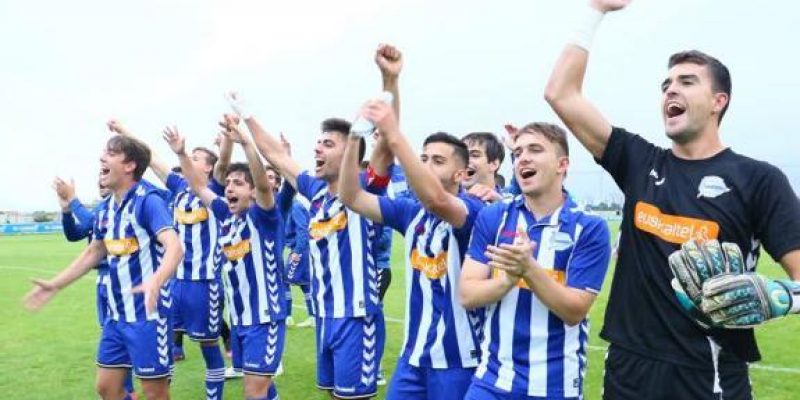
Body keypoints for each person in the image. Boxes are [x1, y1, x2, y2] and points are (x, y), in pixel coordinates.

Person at [544, 1, 800, 398]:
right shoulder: (637, 161)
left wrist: (782, 297)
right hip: (629, 368)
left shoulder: (758, 179)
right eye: (666, 85)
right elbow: (560, 94)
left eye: (687, 81)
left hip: (708, 373)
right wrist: (594, 11)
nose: (671, 90)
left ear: (719, 101)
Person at [225, 44, 402, 400]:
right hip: (324, 316)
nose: (316, 149)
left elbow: (388, 141)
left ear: (351, 151)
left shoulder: (367, 187)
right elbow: (275, 154)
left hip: (357, 316)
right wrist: (245, 112)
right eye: (316, 143)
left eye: (327, 144)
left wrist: (389, 79)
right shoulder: (315, 192)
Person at [341, 95, 486, 400]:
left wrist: (394, 135)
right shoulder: (410, 213)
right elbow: (351, 197)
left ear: (460, 174)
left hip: (458, 361)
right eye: (423, 159)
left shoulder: (472, 213)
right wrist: (356, 136)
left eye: (438, 160)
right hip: (413, 358)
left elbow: (437, 199)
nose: (426, 165)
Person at [25, 134, 183, 400]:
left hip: (147, 317)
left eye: (110, 154)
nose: (102, 158)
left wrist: (156, 280)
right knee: (106, 388)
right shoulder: (107, 208)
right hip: (116, 316)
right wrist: (55, 285)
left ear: (130, 165)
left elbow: (175, 246)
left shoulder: (148, 201)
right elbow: (94, 251)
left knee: (155, 393)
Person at [459, 123, 611, 400]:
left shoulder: (589, 227)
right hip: (491, 381)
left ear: (562, 165)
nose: (523, 158)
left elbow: (574, 310)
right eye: (517, 152)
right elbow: (467, 294)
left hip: (554, 386)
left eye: (535, 149)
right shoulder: (494, 217)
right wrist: (507, 279)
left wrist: (528, 269)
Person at [165, 117, 286, 400]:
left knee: (253, 392)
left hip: (265, 319)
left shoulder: (264, 218)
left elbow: (265, 188)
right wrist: (182, 154)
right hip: (240, 320)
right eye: (228, 182)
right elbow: (198, 186)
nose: (229, 187)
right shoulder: (225, 217)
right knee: (263, 388)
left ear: (253, 192)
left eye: (239, 183)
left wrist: (246, 143)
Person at [108, 120, 227, 399]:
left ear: (208, 167)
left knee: (209, 347)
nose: (189, 160)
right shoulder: (177, 187)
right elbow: (150, 159)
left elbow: (223, 167)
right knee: (165, 350)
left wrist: (226, 144)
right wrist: (125, 130)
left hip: (204, 283)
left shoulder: (217, 192)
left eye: (197, 158)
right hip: (174, 283)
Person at [53, 177, 137, 400]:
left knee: (122, 332)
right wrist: (66, 212)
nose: (100, 181)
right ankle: (124, 388)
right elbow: (73, 234)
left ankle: (128, 389)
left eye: (105, 175)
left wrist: (73, 200)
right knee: (110, 331)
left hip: (119, 278)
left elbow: (91, 222)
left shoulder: (119, 210)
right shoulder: (102, 209)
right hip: (101, 279)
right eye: (97, 177)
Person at [461, 132, 507, 202]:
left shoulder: (512, 202)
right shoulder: (448, 204)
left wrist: (500, 203)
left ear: (494, 164)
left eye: (474, 155)